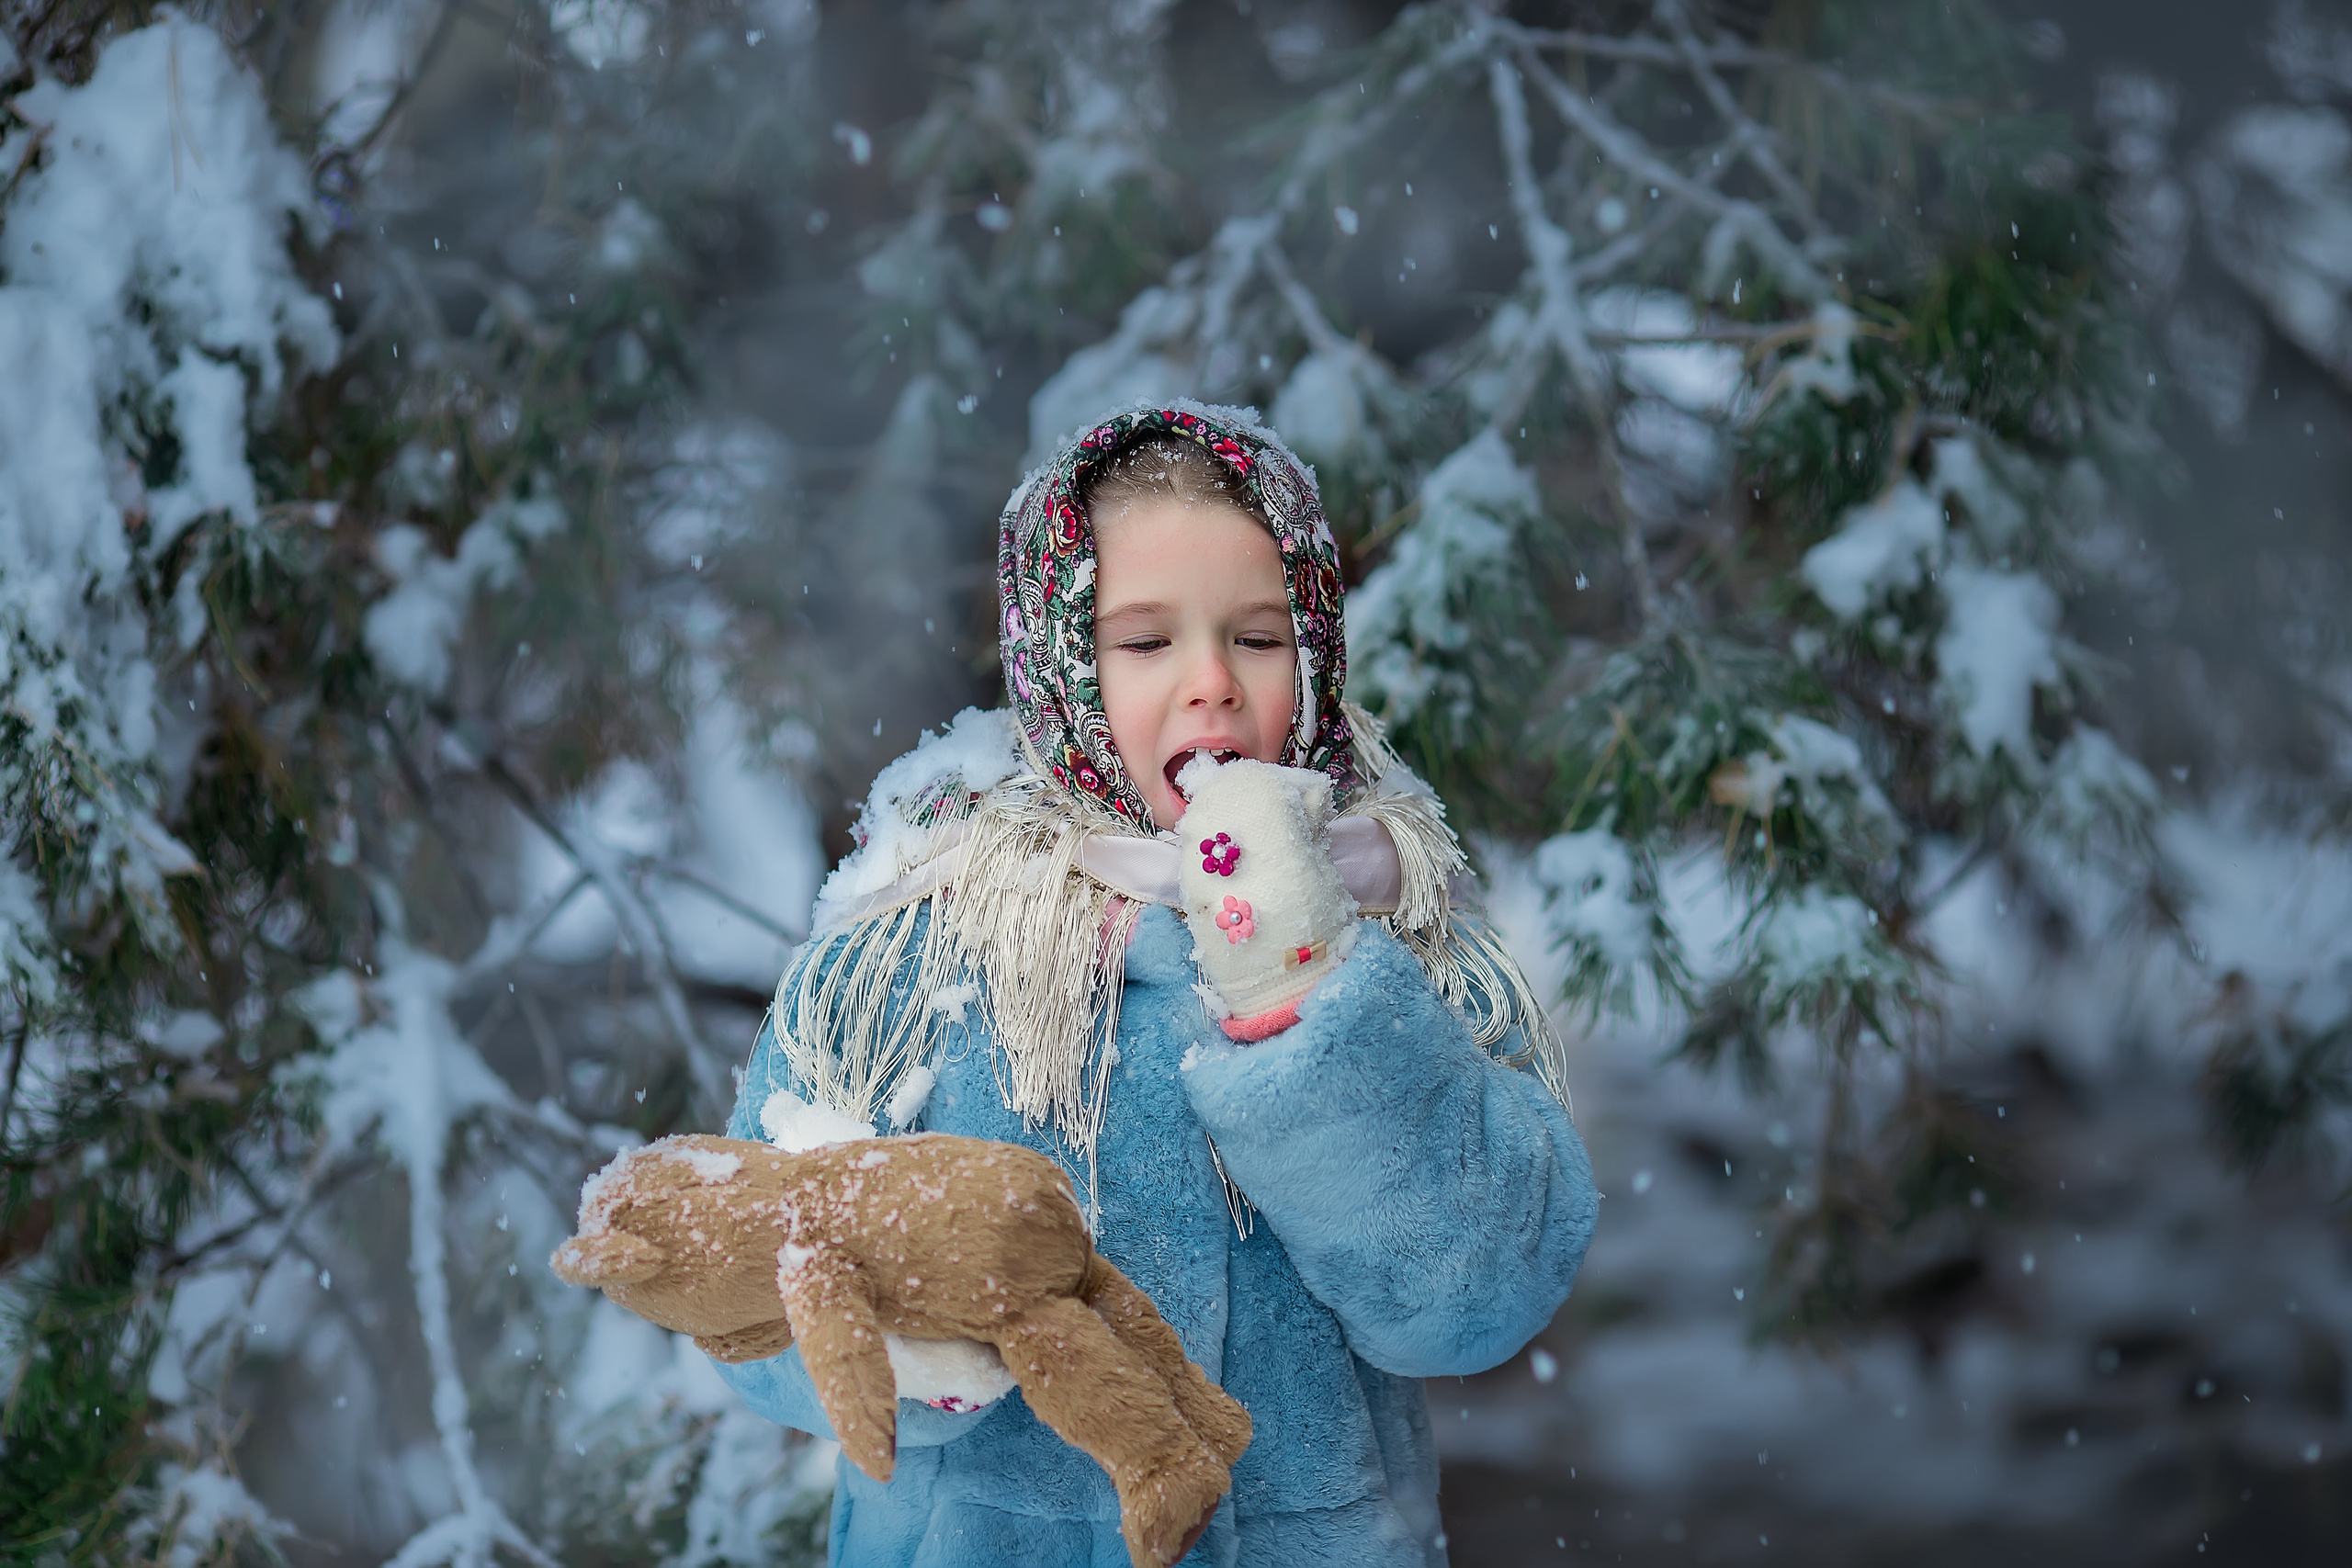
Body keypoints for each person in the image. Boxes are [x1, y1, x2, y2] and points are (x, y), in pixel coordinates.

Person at [714, 401, 1597, 1566]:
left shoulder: (1394, 918)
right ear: (1060, 667)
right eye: (1143, 643)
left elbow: (1473, 1297)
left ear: (1319, 654)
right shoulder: (912, 942)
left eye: (1259, 636)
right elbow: (750, 1290)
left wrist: (1310, 988)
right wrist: (910, 1338)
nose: (1212, 685)